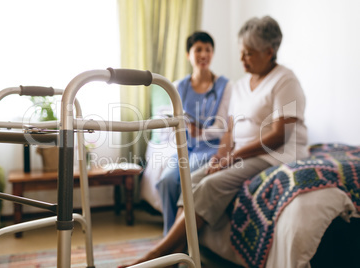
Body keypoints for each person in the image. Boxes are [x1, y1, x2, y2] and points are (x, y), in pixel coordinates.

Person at [122, 15, 308, 267]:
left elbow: (278, 136)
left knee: (210, 186)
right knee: (194, 180)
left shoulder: (285, 80)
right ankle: (179, 253)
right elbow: (230, 129)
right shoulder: (241, 85)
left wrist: (233, 156)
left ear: (270, 51)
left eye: (249, 53)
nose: (242, 59)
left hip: (272, 154)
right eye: (241, 52)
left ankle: (156, 256)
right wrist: (222, 154)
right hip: (241, 153)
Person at [156, 31, 232, 235]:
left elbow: (221, 127)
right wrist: (179, 129)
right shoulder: (179, 86)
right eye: (198, 49)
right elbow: (169, 126)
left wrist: (199, 133)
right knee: (166, 181)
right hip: (185, 149)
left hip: (211, 149)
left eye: (208, 50)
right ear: (188, 54)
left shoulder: (224, 86)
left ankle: (178, 241)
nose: (204, 54)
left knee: (185, 177)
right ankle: (170, 236)